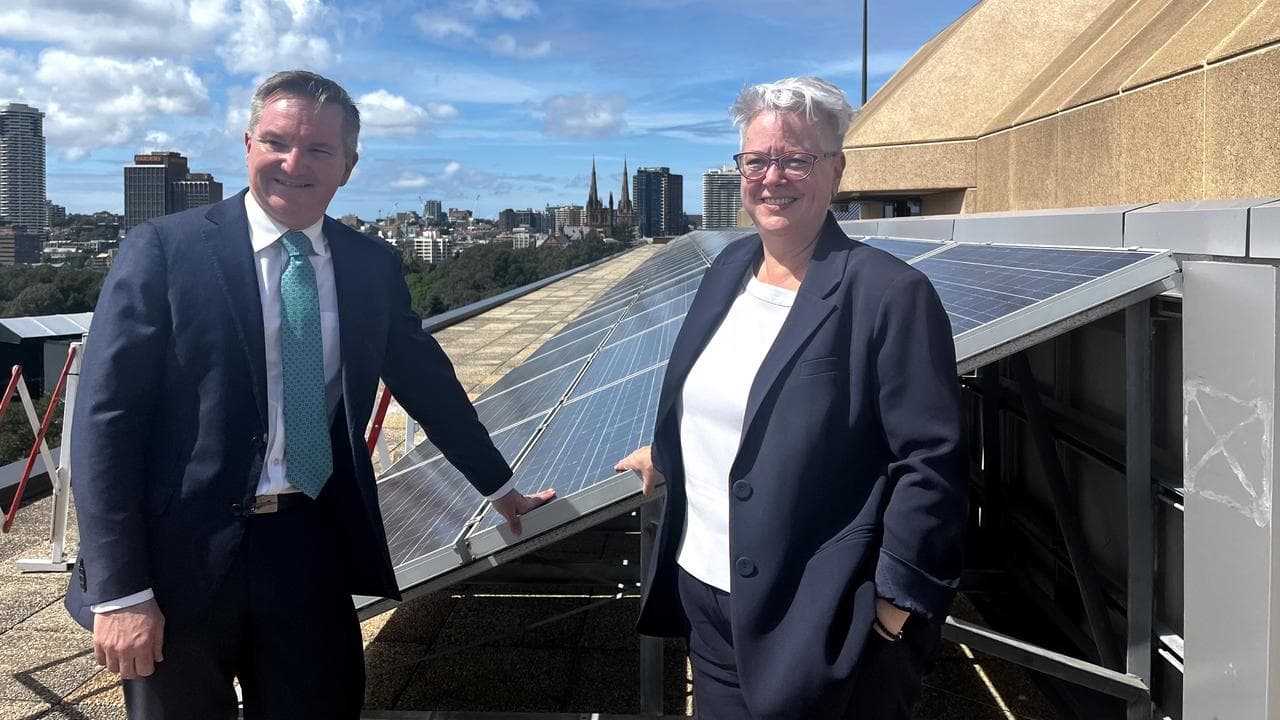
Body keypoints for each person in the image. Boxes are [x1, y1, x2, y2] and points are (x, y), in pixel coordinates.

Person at [65, 69, 556, 719]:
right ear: (247, 145)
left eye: (319, 149)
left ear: (349, 165)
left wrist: (501, 488)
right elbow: (107, 423)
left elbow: (428, 384)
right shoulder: (163, 251)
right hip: (178, 557)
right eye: (276, 142)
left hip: (309, 545)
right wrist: (121, 592)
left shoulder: (369, 266)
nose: (293, 163)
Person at [616, 76, 966, 719]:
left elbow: (933, 466)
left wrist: (890, 611)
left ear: (836, 170)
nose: (772, 176)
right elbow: (726, 400)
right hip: (708, 599)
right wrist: (670, 450)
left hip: (819, 615)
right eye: (757, 160)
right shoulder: (727, 270)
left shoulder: (888, 294)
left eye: (795, 158)